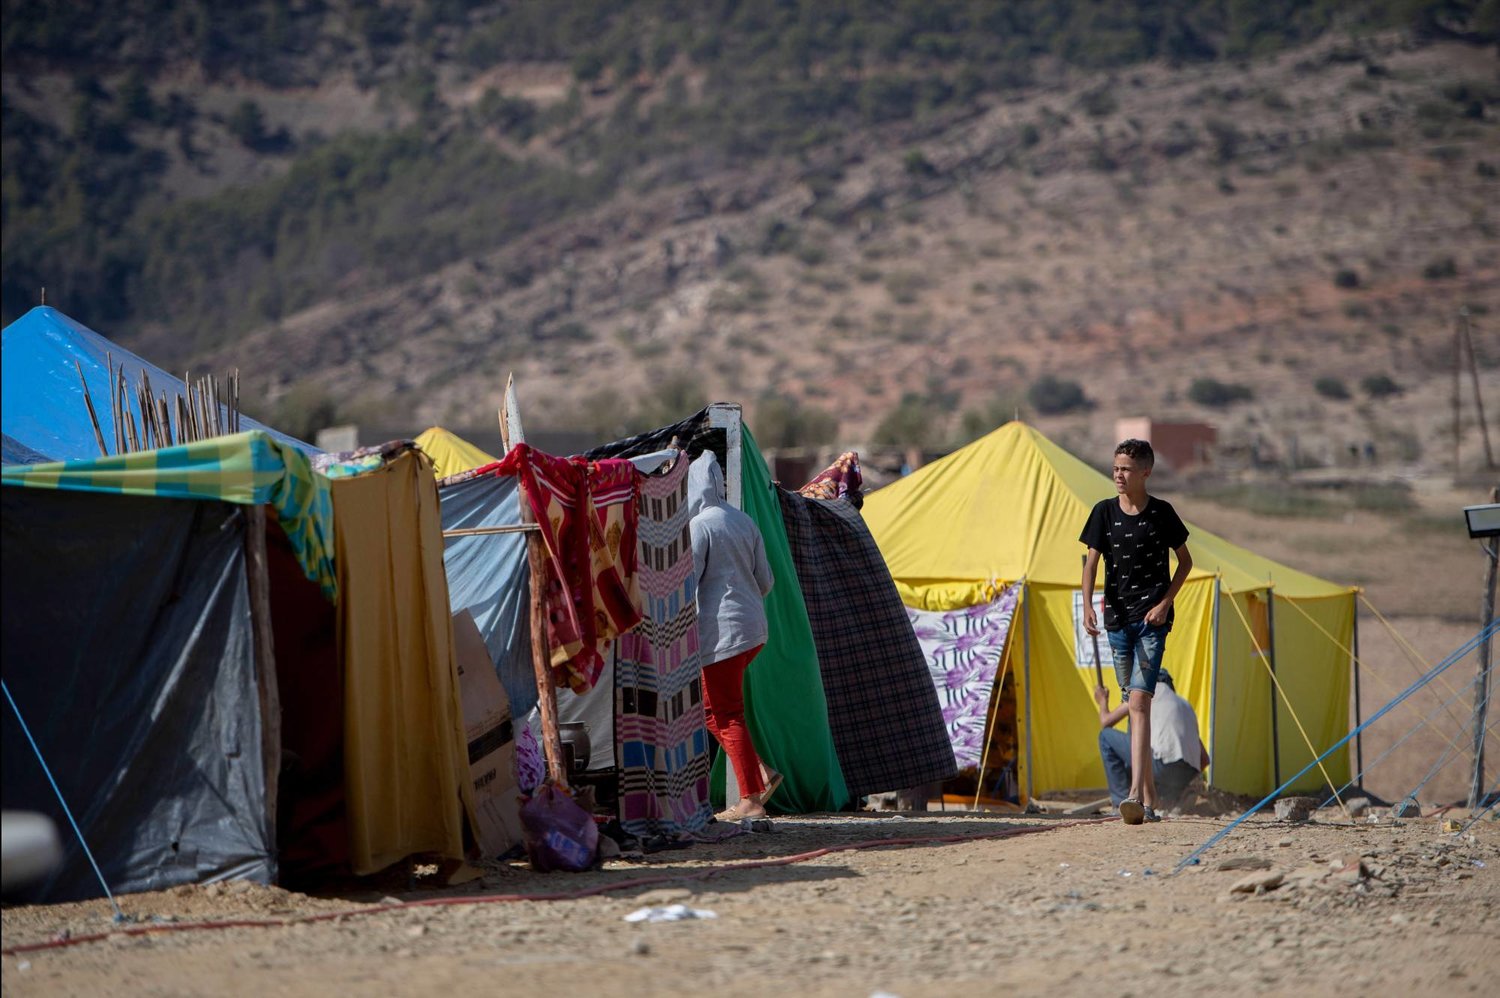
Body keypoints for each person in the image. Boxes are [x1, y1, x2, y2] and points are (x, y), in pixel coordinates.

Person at [1080, 439, 1193, 825]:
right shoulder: (1103, 513)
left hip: (1151, 622)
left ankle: (1134, 797)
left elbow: (1186, 561)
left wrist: (1164, 604)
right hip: (1115, 622)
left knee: (1139, 704)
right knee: (1133, 704)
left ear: (1145, 472)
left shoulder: (1163, 513)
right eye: (1115, 468)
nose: (1118, 475)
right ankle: (1151, 798)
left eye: (1126, 469)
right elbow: (1090, 565)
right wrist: (1088, 607)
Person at [687, 452, 780, 822]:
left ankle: (752, 801)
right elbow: (766, 581)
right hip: (753, 630)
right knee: (716, 710)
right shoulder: (743, 522)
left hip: (722, 635)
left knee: (724, 715)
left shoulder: (699, 526)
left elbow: (686, 586)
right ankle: (759, 773)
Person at [1093, 669, 1209, 817]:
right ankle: (1173, 797)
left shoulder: (1143, 693)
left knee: (1106, 737)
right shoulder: (1184, 704)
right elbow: (1204, 759)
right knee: (1158, 767)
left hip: (1160, 765)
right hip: (1188, 773)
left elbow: (1105, 722)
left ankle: (1121, 802)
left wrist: (1103, 701)